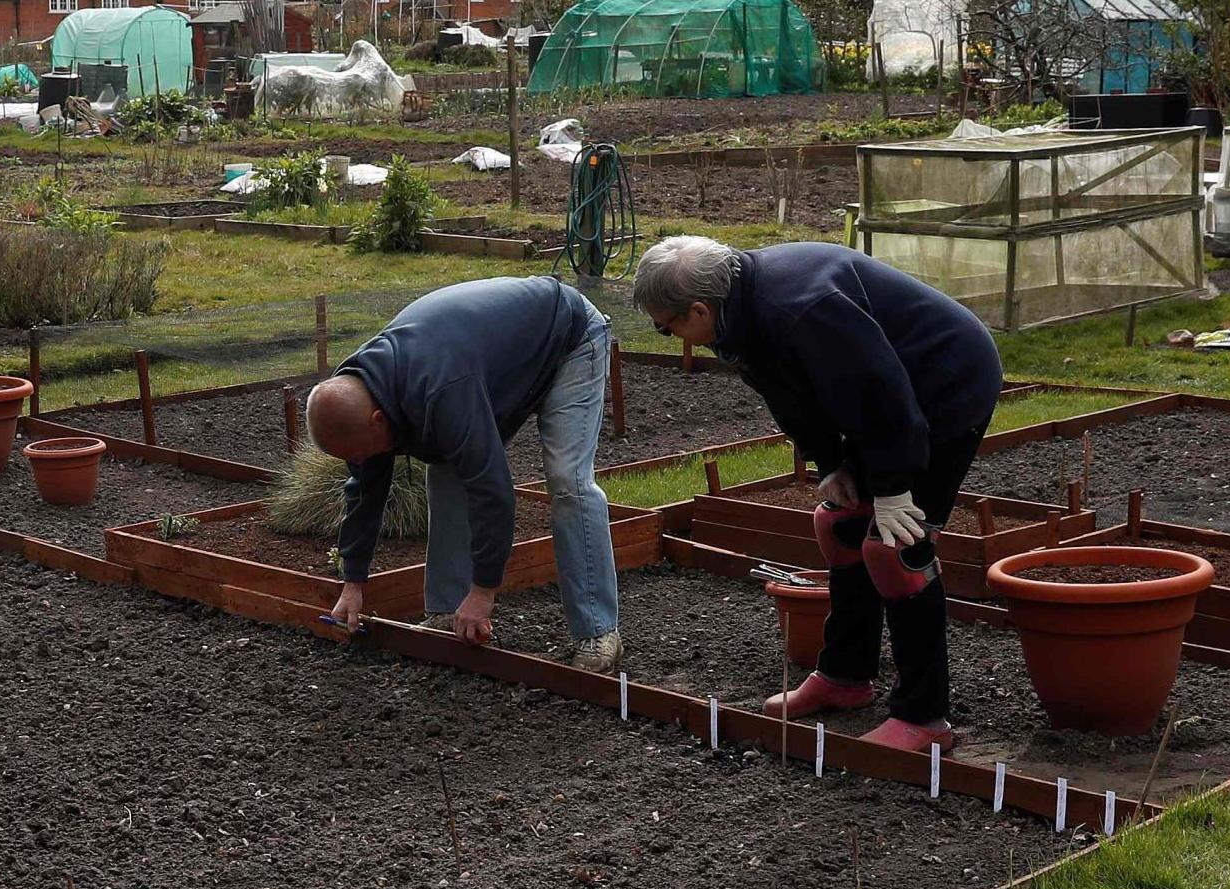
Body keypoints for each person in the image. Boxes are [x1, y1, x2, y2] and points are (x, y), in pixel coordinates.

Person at [631, 237, 1004, 752]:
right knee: (841, 524)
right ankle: (847, 677)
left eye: (664, 326)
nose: (668, 336)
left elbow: (881, 392)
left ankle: (924, 717)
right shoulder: (740, 313)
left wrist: (893, 487)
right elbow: (792, 393)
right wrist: (830, 461)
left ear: (698, 308)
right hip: (890, 389)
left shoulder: (801, 311)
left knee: (897, 548)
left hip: (946, 381)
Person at [307, 277, 624, 672]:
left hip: (569, 336)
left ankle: (598, 632)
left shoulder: (442, 389)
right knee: (447, 468)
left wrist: (484, 591)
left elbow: (493, 490)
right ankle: (446, 612)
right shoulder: (358, 392)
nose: (359, 460)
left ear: (377, 421)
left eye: (358, 453)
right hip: (498, 359)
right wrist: (353, 583)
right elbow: (365, 488)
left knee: (568, 481)